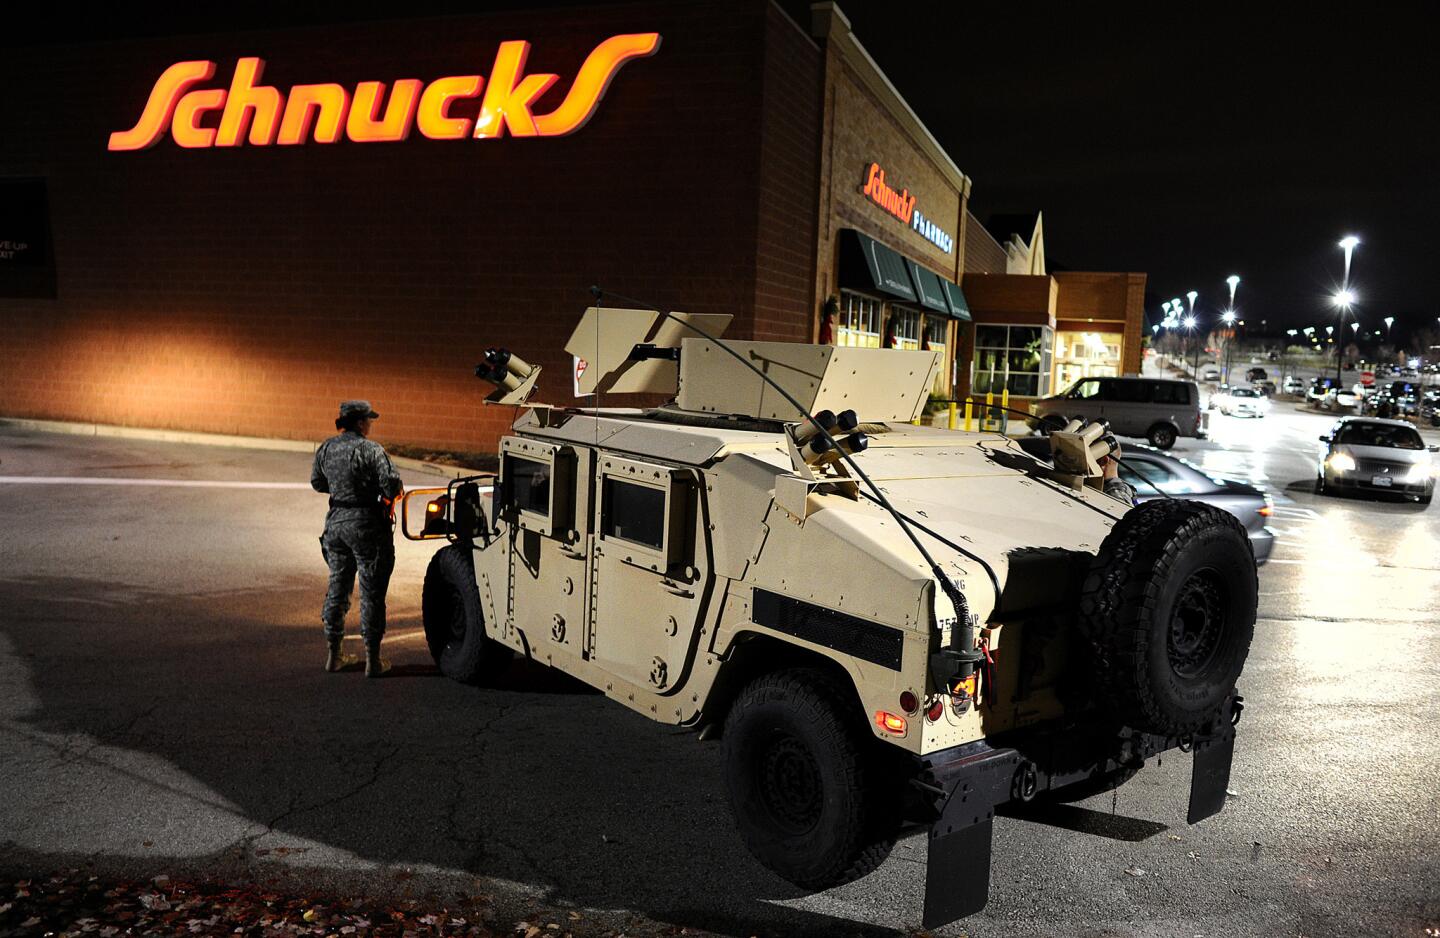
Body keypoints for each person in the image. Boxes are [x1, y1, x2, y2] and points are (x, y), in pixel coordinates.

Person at [311, 400, 403, 677]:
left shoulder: (326, 447)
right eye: (369, 420)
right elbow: (392, 484)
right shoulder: (370, 449)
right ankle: (372, 660)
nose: (370, 424)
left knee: (337, 588)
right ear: (361, 422)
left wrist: (342, 489)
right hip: (367, 526)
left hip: (336, 524)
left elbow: (317, 483)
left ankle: (333, 655)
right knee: (372, 592)